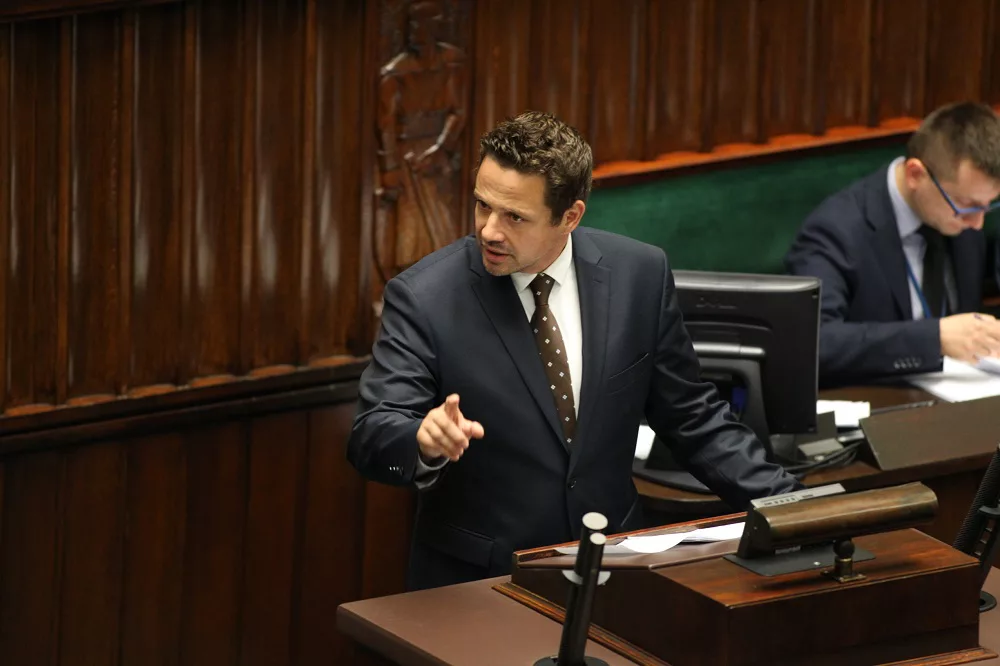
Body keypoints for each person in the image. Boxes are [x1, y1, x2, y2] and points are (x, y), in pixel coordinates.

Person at [348, 111, 801, 591]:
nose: (489, 230)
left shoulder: (638, 275)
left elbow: (693, 418)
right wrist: (421, 441)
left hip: (613, 570)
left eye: (514, 217)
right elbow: (372, 433)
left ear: (570, 216)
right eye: (482, 206)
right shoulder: (424, 297)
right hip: (482, 583)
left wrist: (793, 506)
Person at [785, 101, 1000, 387]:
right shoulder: (836, 230)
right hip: (876, 401)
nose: (977, 224)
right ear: (915, 175)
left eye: (987, 206)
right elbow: (815, 343)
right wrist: (934, 338)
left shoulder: (964, 218)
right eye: (966, 205)